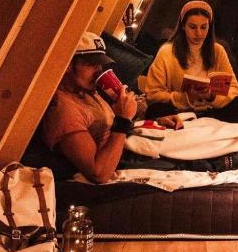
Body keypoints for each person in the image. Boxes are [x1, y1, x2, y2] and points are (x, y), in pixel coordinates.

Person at [41, 32, 183, 184]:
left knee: (200, 131)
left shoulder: (87, 91)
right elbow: (99, 173)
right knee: (187, 161)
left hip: (133, 145)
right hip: (121, 162)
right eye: (91, 64)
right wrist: (123, 120)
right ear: (68, 65)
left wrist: (157, 120)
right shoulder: (64, 110)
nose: (98, 70)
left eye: (100, 64)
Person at [145, 0, 238, 123]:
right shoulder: (166, 51)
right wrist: (186, 97)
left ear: (209, 27)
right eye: (192, 27)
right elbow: (152, 95)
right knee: (155, 109)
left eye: (204, 27)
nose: (199, 33)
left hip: (213, 111)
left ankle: (202, 122)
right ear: (183, 26)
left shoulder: (218, 50)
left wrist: (212, 96)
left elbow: (235, 90)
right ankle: (199, 122)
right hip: (179, 112)